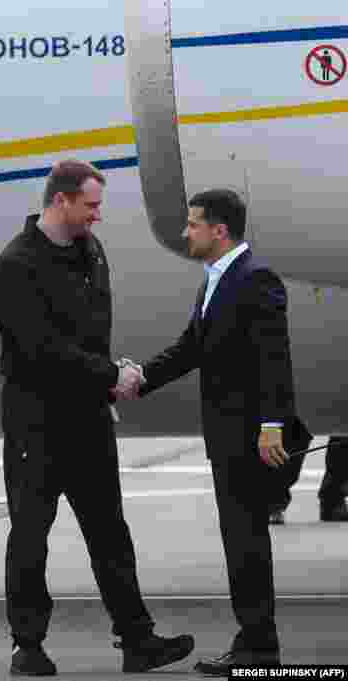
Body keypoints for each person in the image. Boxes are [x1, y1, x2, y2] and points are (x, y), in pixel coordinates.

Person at [0, 159, 195, 676]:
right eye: (92, 205)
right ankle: (27, 646)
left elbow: (90, 332)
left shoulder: (90, 252)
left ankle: (138, 639)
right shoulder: (16, 264)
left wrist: (109, 376)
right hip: (36, 423)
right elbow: (41, 349)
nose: (98, 216)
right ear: (62, 201)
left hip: (88, 418)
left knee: (109, 532)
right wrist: (110, 374)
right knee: (31, 535)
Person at [120, 188, 310, 676]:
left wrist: (273, 425)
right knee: (240, 538)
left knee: (246, 540)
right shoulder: (217, 280)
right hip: (228, 436)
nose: (187, 233)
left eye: (193, 224)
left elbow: (275, 359)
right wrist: (138, 381)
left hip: (248, 435)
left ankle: (258, 648)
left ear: (219, 230)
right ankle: (254, 642)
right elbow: (191, 348)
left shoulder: (253, 279)